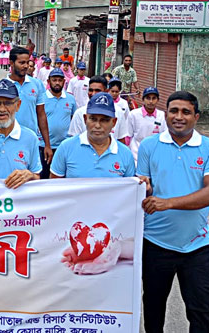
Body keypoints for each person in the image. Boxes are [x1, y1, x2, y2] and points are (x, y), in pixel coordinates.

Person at [137, 91, 209, 332]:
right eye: (174, 111)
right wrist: (143, 188)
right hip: (155, 243)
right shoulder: (148, 146)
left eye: (186, 112)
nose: (179, 117)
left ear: (196, 117)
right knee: (153, 309)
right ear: (166, 115)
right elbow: (145, 191)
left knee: (202, 311)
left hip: (197, 245)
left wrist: (167, 203)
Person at [53, 92, 136, 275]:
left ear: (114, 123)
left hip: (112, 231)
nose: (98, 125)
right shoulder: (66, 148)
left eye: (104, 120)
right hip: (69, 230)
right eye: (93, 119)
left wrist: (117, 249)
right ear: (85, 119)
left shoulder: (124, 155)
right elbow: (53, 191)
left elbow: (131, 200)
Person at [6, 47, 53, 165]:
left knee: (32, 177)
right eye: (21, 63)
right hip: (8, 140)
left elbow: (41, 114)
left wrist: (47, 144)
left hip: (31, 140)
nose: (26, 66)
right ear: (11, 63)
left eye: (27, 62)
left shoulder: (36, 84)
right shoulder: (3, 86)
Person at [38, 68, 76, 179]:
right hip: (44, 146)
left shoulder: (70, 99)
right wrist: (46, 144)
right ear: (49, 82)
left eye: (60, 80)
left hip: (64, 147)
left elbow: (73, 120)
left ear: (64, 82)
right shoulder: (42, 99)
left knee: (62, 179)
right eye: (54, 80)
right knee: (44, 178)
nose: (57, 83)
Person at [68, 76, 129, 143]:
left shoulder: (118, 112)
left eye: (97, 91)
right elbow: (74, 141)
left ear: (106, 91)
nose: (93, 94)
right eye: (91, 90)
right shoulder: (79, 113)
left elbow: (121, 140)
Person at [126, 87, 166, 163]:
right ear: (143, 99)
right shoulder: (133, 114)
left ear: (158, 100)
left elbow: (164, 137)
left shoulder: (162, 115)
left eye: (154, 98)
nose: (151, 101)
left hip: (155, 157)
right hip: (136, 157)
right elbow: (128, 136)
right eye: (148, 98)